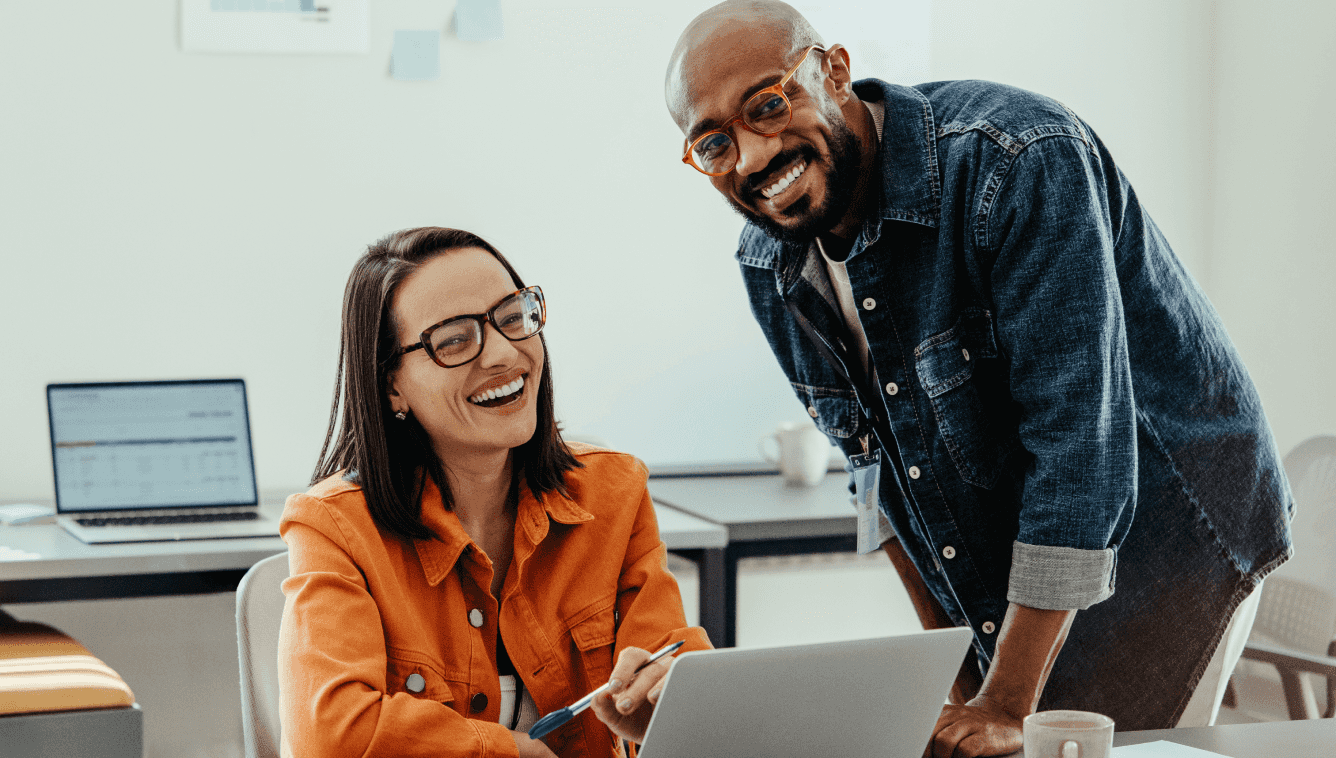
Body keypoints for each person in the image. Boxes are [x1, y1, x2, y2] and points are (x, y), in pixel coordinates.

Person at [663, 2, 1293, 756]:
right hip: (1033, 551)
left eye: (769, 104)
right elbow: (880, 480)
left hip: (1173, 532)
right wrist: (965, 678)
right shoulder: (771, 265)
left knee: (1091, 747)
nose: (752, 155)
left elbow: (1079, 453)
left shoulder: (1018, 159)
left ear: (833, 69)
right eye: (713, 142)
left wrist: (1007, 697)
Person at [277, 227, 711, 758]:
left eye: (512, 317)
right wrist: (507, 752)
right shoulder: (334, 527)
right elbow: (330, 738)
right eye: (454, 340)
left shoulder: (615, 493)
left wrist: (664, 709)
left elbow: (681, 678)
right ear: (392, 385)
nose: (505, 353)